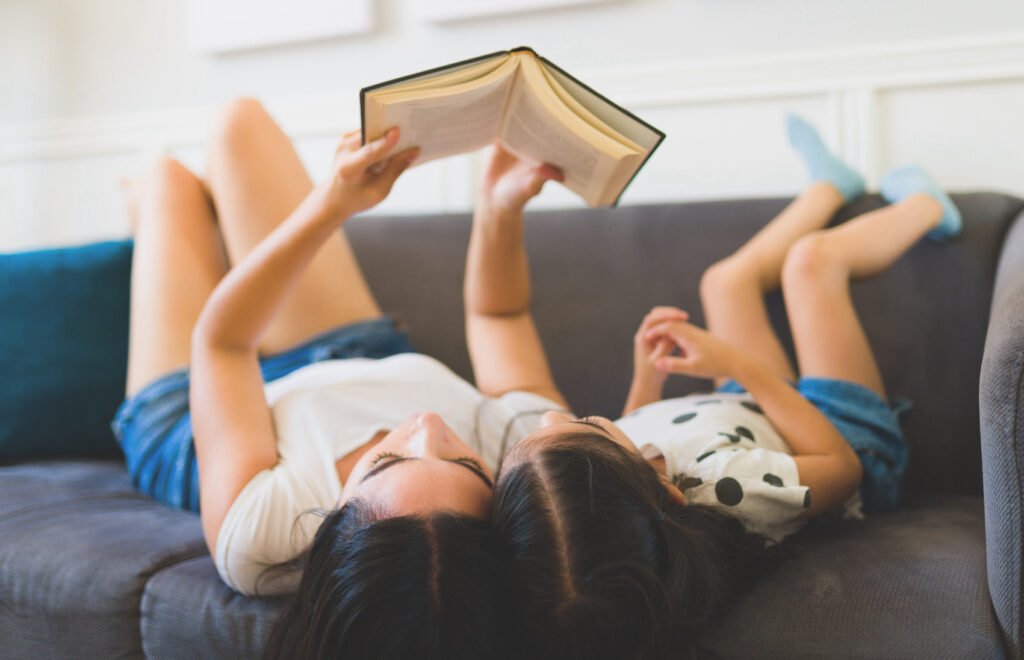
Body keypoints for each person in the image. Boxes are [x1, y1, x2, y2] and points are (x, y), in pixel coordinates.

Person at [110, 98, 568, 659]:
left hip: (197, 417)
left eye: (390, 460)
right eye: (462, 459)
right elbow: (501, 317)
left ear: (328, 524)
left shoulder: (266, 538)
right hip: (355, 355)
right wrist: (500, 207)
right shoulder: (522, 455)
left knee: (166, 183)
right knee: (240, 124)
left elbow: (225, 345)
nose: (425, 426)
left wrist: (330, 205)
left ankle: (149, 201)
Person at [490, 115, 963, 658]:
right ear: (660, 484)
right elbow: (842, 468)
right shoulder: (728, 484)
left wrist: (647, 376)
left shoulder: (615, 484)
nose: (554, 417)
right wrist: (737, 362)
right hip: (842, 433)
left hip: (753, 403)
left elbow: (629, 430)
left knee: (725, 281)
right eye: (580, 427)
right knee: (812, 266)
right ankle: (928, 208)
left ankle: (831, 188)